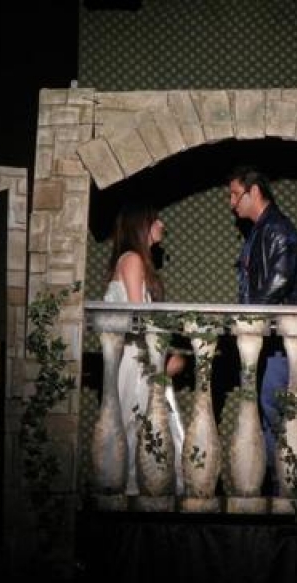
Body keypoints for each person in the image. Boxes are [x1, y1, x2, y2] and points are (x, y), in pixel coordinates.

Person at [227, 165, 297, 495]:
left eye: (235, 195)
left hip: (278, 344)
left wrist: (248, 320)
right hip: (266, 342)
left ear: (254, 191)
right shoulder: (261, 231)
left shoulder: (277, 229)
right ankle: (276, 494)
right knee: (266, 417)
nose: (232, 203)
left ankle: (294, 496)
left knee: (279, 417)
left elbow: (279, 282)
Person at [104, 201, 185, 496]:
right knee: (139, 425)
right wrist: (162, 362)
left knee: (146, 425)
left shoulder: (131, 261)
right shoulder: (133, 260)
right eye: (156, 219)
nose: (163, 224)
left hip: (138, 357)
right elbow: (140, 322)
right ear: (142, 225)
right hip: (138, 360)